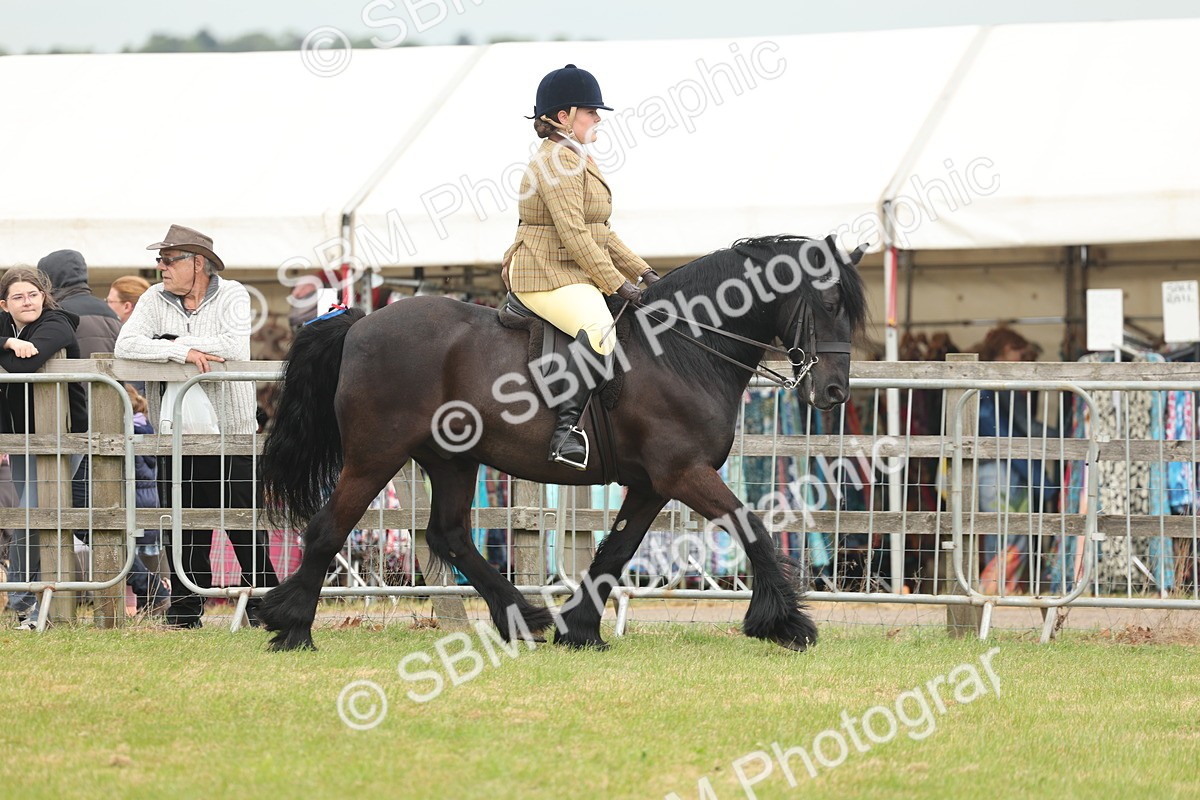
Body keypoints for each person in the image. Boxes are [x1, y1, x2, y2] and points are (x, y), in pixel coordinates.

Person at [114, 224, 279, 628]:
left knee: (244, 523)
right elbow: (125, 345)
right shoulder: (153, 297)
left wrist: (167, 343)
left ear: (198, 263)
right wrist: (180, 350)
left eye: (169, 260)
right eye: (160, 260)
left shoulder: (233, 293)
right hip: (175, 433)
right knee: (183, 526)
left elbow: (234, 346)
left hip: (232, 431)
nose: (162, 267)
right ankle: (185, 609)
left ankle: (264, 605)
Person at [502, 64, 659, 469]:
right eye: (591, 111)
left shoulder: (576, 156)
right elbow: (574, 234)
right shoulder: (556, 162)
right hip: (543, 272)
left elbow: (600, 230)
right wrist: (618, 284)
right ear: (564, 117)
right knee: (599, 327)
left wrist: (644, 273)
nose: (598, 119)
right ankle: (565, 432)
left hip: (569, 270)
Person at [0, 267, 87, 629]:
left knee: (35, 514)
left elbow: (28, 364)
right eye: (18, 297)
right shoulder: (7, 328)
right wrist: (7, 343)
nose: (27, 302)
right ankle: (27, 604)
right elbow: (13, 357)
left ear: (44, 296)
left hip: (63, 437)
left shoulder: (58, 323)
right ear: (4, 304)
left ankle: (29, 603)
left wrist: (7, 352)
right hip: (21, 439)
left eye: (33, 295)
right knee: (30, 517)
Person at [974, 327, 1059, 594]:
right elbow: (1026, 425)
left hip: (987, 466)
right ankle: (996, 587)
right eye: (1018, 353)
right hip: (1006, 467)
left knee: (997, 530)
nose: (1022, 359)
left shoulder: (981, 377)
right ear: (1004, 351)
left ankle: (997, 588)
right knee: (1012, 530)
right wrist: (1064, 437)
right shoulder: (1004, 380)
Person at [124, 383, 169, 614]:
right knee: (146, 559)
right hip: (150, 499)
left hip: (133, 499)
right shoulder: (147, 428)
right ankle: (150, 602)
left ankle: (137, 606)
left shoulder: (128, 433)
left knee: (127, 555)